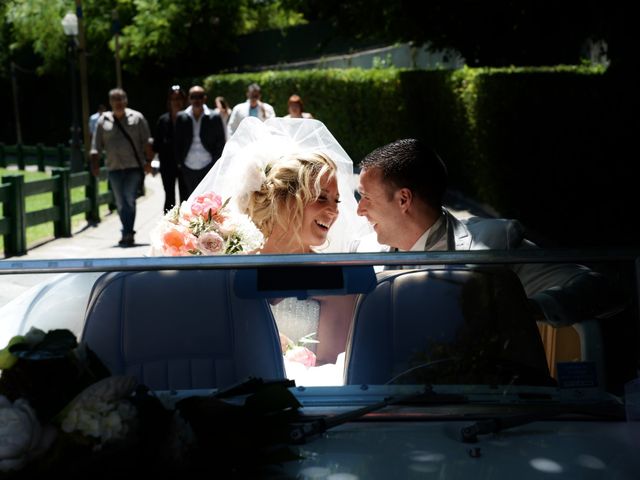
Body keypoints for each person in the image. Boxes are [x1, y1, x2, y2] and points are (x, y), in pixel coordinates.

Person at [355, 138, 616, 328]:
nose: (359, 210)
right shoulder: (362, 253)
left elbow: (604, 289)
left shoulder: (494, 244)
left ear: (403, 200)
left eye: (366, 197)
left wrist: (527, 309)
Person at [189, 117, 371, 367]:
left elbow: (331, 365)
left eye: (337, 201)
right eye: (321, 198)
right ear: (283, 200)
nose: (334, 211)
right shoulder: (230, 270)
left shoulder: (337, 278)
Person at [90, 88, 153, 247]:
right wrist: (95, 164)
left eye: (121, 99)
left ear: (126, 100)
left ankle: (127, 232)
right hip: (114, 168)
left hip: (133, 167)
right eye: (114, 99)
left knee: (129, 200)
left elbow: (147, 142)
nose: (118, 103)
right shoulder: (102, 121)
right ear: (110, 102)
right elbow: (95, 146)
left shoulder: (137, 118)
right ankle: (127, 231)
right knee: (120, 202)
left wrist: (148, 162)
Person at [174, 85, 226, 199]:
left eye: (200, 96)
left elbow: (221, 141)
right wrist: (180, 163)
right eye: (193, 97)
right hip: (188, 165)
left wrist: (215, 163)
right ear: (189, 98)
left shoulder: (214, 116)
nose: (196, 100)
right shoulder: (181, 117)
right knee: (189, 199)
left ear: (205, 98)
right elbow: (177, 142)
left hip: (207, 164)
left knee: (207, 200)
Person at [153, 85, 188, 212]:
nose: (176, 102)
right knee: (169, 197)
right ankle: (168, 227)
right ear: (169, 101)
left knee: (186, 198)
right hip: (167, 165)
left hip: (185, 165)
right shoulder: (163, 120)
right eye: (173, 99)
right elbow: (156, 144)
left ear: (184, 100)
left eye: (179, 98)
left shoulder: (189, 119)